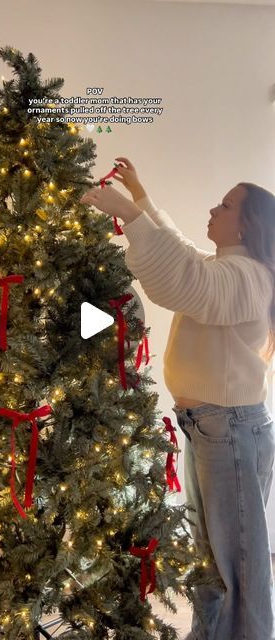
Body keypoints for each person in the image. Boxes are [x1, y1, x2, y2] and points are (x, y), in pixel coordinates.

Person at [80, 159, 275, 640]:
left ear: (249, 225)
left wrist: (130, 214)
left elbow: (192, 282)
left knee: (238, 567)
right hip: (209, 425)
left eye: (226, 205)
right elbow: (185, 257)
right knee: (211, 557)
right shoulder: (230, 267)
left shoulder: (250, 276)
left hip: (228, 428)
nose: (214, 208)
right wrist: (141, 197)